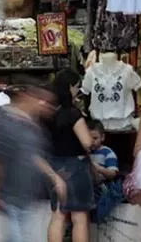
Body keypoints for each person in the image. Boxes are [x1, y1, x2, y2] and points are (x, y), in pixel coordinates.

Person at [0, 85, 66, 242]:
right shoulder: (4, 122)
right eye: (42, 101)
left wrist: (54, 177)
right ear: (27, 97)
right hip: (9, 198)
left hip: (25, 199)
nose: (46, 106)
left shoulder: (33, 126)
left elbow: (34, 156)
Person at [46, 69, 94, 242]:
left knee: (58, 214)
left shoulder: (49, 113)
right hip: (75, 167)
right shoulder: (73, 113)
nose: (77, 90)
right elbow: (87, 142)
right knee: (79, 216)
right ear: (69, 87)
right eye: (76, 87)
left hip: (54, 166)